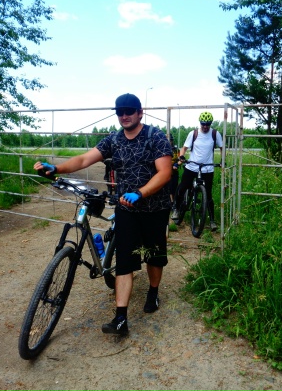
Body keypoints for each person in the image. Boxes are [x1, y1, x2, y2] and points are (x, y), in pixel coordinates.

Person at [34, 93, 172, 336]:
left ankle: (153, 292)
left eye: (129, 111)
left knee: (153, 255)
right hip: (126, 209)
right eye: (119, 112)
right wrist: (56, 168)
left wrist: (140, 193)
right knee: (125, 262)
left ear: (140, 113)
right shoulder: (114, 139)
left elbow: (164, 173)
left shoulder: (155, 136)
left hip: (154, 208)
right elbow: (84, 159)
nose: (124, 116)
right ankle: (120, 318)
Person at [171, 111, 223, 232]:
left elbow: (222, 148)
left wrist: (222, 160)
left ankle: (212, 221)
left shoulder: (215, 134)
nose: (205, 126)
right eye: (203, 124)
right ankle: (176, 209)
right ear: (200, 123)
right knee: (183, 186)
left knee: (208, 194)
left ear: (210, 124)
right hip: (192, 166)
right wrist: (181, 156)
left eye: (207, 124)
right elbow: (184, 148)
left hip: (207, 169)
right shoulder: (193, 133)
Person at [169, 134, 180, 202]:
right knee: (169, 187)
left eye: (170, 140)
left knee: (175, 186)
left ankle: (174, 201)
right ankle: (171, 202)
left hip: (174, 171)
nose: (169, 142)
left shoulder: (176, 150)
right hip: (167, 171)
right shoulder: (163, 149)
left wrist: (176, 164)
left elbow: (180, 159)